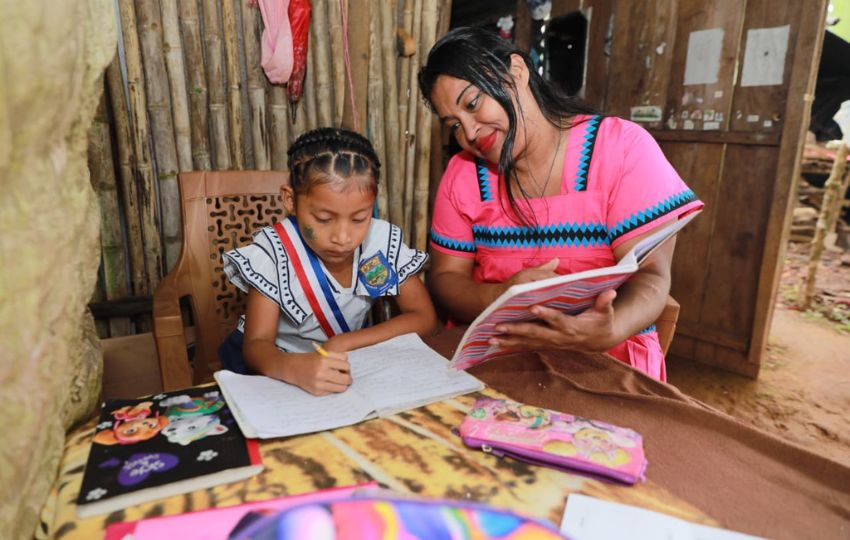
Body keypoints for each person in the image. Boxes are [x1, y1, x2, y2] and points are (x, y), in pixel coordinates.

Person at [418, 27, 704, 381]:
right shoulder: (463, 174)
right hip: (498, 361)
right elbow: (446, 278)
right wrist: (499, 294)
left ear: (516, 72)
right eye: (454, 125)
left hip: (606, 364)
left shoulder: (621, 150)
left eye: (473, 104)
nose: (470, 132)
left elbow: (652, 277)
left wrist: (611, 330)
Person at [219, 127, 439, 395]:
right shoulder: (274, 253)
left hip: (344, 360)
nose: (343, 238)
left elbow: (424, 318)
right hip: (275, 366)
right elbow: (256, 345)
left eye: (359, 218)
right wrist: (293, 368)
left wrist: (344, 342)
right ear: (290, 200)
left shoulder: (379, 242)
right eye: (324, 219)